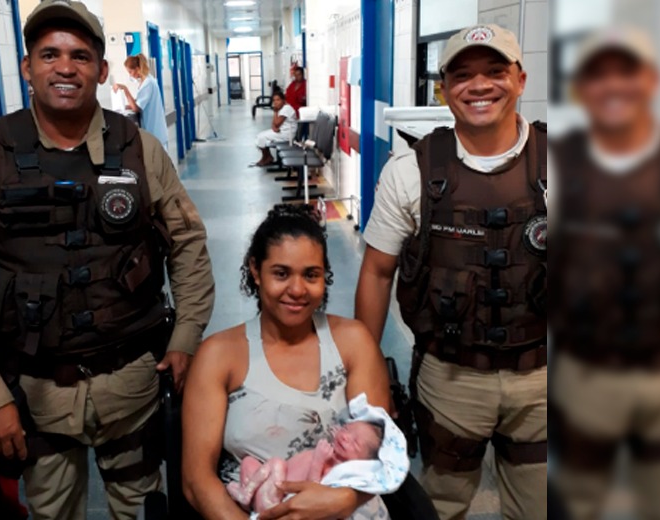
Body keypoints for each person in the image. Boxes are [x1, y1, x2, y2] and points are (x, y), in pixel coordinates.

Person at [0, 1, 215, 519]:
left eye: (80, 55)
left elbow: (188, 244)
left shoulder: (139, 149)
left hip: (134, 384)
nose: (65, 67)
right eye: (49, 54)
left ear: (102, 69)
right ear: (27, 67)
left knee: (145, 509)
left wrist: (187, 337)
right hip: (37, 393)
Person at [355, 24, 547, 520]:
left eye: (495, 71)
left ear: (521, 80)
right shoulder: (410, 170)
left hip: (544, 378)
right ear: (443, 89)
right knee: (438, 506)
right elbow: (377, 272)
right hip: (449, 378)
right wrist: (366, 367)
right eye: (462, 75)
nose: (479, 85)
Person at [182, 205, 391, 520]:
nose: (297, 290)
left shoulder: (353, 343)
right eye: (281, 273)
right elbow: (197, 481)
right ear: (256, 271)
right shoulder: (219, 356)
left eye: (311, 275)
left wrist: (344, 500)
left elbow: (379, 451)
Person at [549, 27, 660, 520]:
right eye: (598, 74)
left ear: (652, 79)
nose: (613, 86)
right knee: (578, 501)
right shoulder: (557, 163)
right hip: (585, 376)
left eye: (627, 72)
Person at [227, 421, 383, 513]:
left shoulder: (337, 472)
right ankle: (246, 498)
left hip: (277, 505)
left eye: (355, 442)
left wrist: (318, 460)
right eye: (346, 429)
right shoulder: (332, 450)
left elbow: (311, 494)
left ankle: (246, 494)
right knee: (249, 462)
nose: (345, 436)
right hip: (268, 489)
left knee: (277, 463)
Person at [113, 54, 168, 149]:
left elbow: (136, 108)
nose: (130, 75)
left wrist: (125, 89)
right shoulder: (148, 81)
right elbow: (138, 102)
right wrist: (124, 106)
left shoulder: (147, 83)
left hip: (155, 133)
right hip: (155, 133)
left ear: (137, 69)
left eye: (130, 72)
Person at [254, 92, 297, 167]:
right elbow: (273, 125)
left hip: (287, 135)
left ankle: (267, 157)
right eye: (274, 100)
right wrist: (274, 127)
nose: (276, 102)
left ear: (283, 100)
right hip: (281, 132)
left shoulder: (286, 109)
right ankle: (267, 156)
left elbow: (276, 123)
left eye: (278, 100)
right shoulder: (281, 108)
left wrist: (275, 112)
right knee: (259, 135)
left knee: (261, 137)